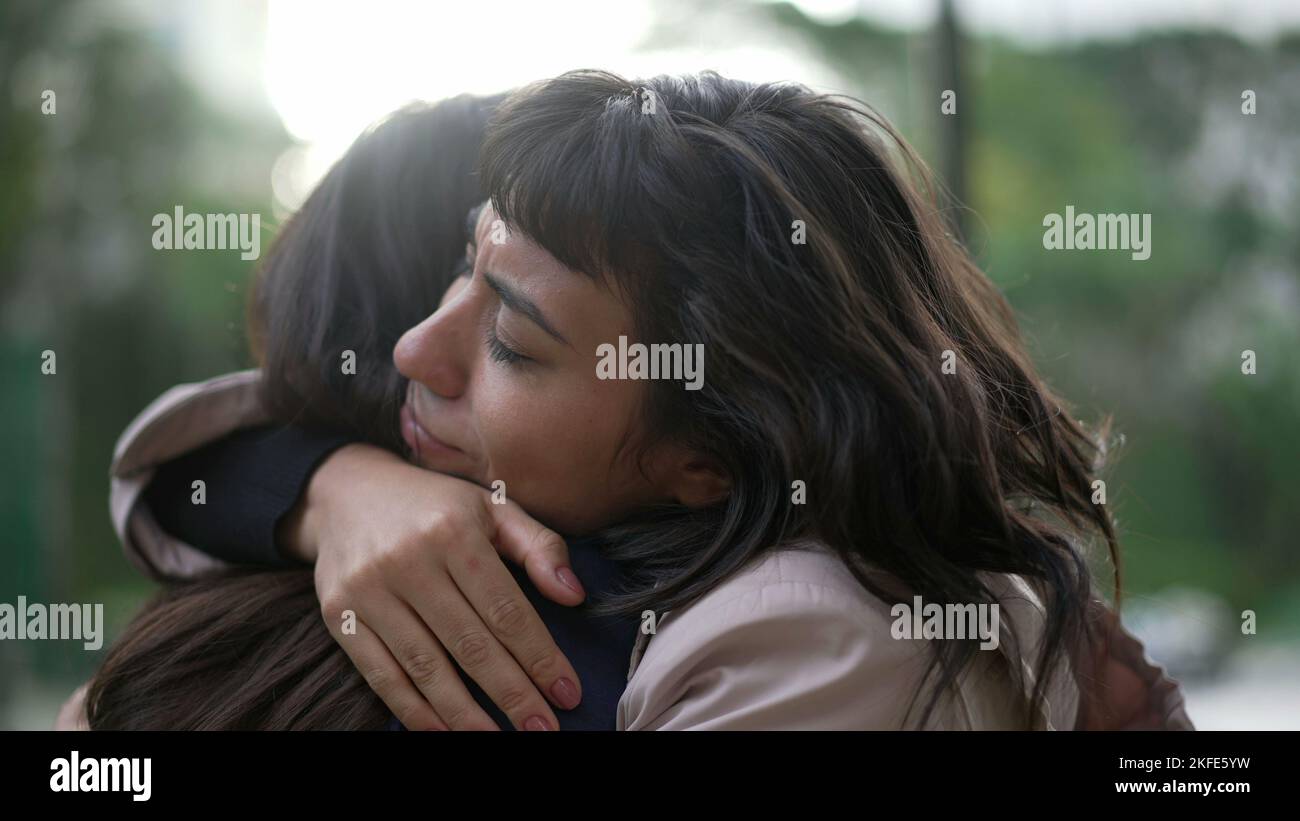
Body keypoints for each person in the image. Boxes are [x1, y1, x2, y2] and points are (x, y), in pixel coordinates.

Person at [70, 70, 1194, 731]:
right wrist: (336, 488)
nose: (419, 345)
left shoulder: (790, 632)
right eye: (459, 268)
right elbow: (175, 467)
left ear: (707, 451)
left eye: (510, 338)